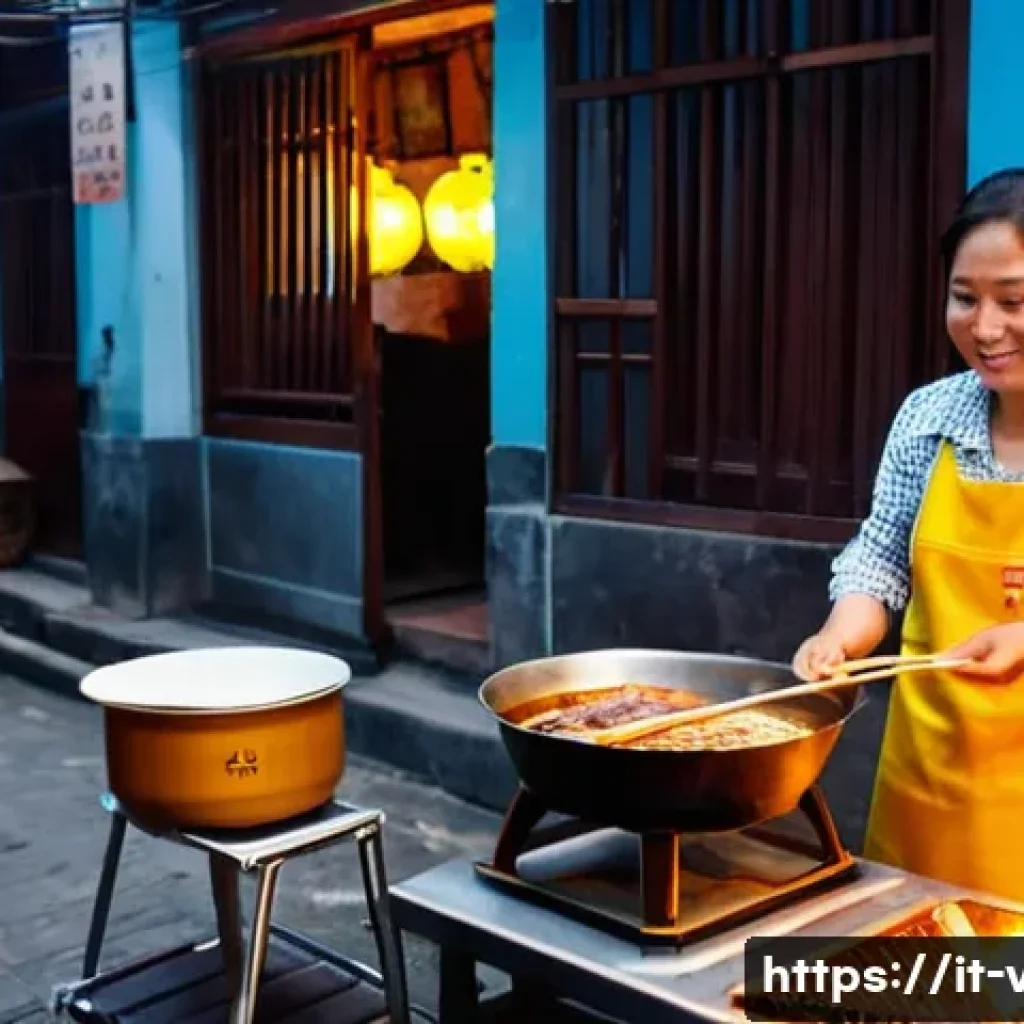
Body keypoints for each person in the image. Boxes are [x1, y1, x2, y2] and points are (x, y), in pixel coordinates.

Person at [792, 168, 1024, 903]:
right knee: (924, 990)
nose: (984, 328)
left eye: (1013, 301)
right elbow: (882, 555)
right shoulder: (928, 418)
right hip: (928, 775)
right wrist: (840, 637)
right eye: (965, 298)